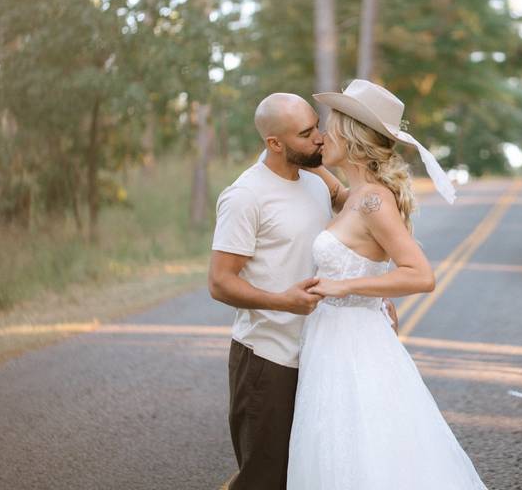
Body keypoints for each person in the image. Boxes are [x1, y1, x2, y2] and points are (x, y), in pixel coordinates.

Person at [287, 79, 487, 489]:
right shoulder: (358, 196)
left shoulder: (375, 200)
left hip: (354, 343)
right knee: (333, 446)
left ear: (350, 135)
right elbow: (346, 210)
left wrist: (344, 288)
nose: (322, 135)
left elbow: (420, 274)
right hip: (331, 338)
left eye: (328, 126)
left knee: (363, 449)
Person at [208, 92, 398, 490]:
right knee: (266, 478)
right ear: (274, 143)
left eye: (318, 126)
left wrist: (374, 290)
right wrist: (283, 302)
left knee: (313, 473)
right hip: (269, 358)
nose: (319, 137)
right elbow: (220, 282)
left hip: (321, 356)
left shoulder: (315, 177)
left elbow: (358, 224)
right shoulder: (246, 196)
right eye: (306, 132)